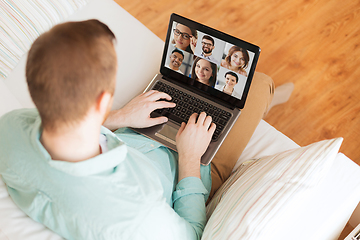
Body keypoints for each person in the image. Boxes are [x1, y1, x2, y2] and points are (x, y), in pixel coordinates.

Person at [0, 20, 275, 240]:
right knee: (260, 84)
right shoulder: (139, 220)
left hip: (136, 133)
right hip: (188, 167)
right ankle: (271, 98)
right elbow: (193, 234)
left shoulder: (9, 129)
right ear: (101, 101)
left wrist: (119, 116)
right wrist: (190, 158)